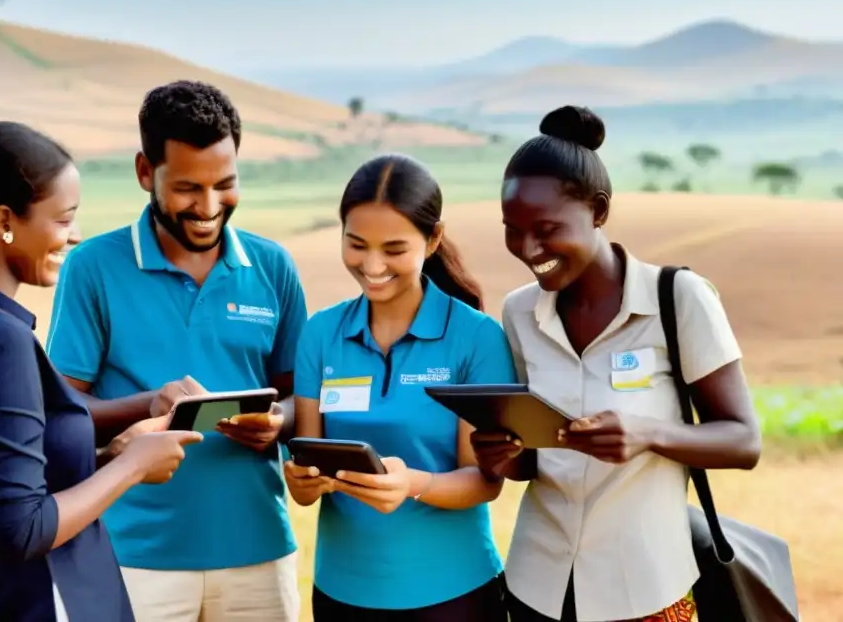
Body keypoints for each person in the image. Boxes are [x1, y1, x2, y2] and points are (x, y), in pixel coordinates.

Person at [0, 120, 203, 622]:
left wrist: (110, 452)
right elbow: (20, 530)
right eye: (63, 220)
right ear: (3, 221)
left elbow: (4, 485)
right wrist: (132, 468)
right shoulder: (1, 340)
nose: (76, 236)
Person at [471, 106, 762, 622]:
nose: (528, 249)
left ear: (599, 210)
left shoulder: (678, 299)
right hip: (537, 586)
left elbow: (744, 441)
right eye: (512, 230)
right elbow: (530, 463)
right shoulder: (519, 312)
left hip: (645, 589)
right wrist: (500, 454)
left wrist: (647, 433)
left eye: (546, 228)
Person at [44, 80, 308, 622]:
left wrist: (276, 424)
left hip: (258, 552)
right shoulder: (92, 268)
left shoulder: (273, 267)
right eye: (188, 187)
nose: (209, 207)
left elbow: (300, 400)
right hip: (131, 559)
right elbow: (61, 416)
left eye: (225, 185)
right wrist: (148, 405)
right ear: (146, 172)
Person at [286, 153, 516, 621]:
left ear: (432, 240)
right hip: (341, 594)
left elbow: (486, 481)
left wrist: (415, 483)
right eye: (356, 244)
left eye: (393, 249)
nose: (372, 265)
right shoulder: (320, 335)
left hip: (454, 594)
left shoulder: (476, 338)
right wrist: (303, 481)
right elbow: (308, 474)